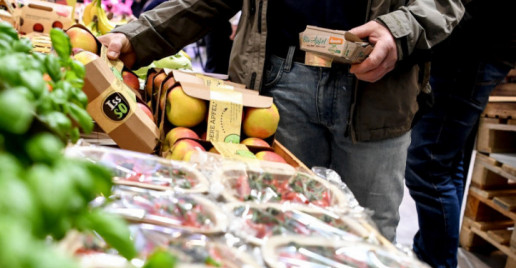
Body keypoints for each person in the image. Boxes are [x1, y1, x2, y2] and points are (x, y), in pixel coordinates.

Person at [99, 0, 465, 242]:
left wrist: (399, 29)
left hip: (381, 90)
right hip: (277, 81)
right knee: (270, 223)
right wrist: (139, 36)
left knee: (370, 235)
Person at [404, 0, 516, 268]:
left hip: (470, 51)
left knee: (427, 165)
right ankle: (432, 255)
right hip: (476, 49)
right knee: (446, 162)